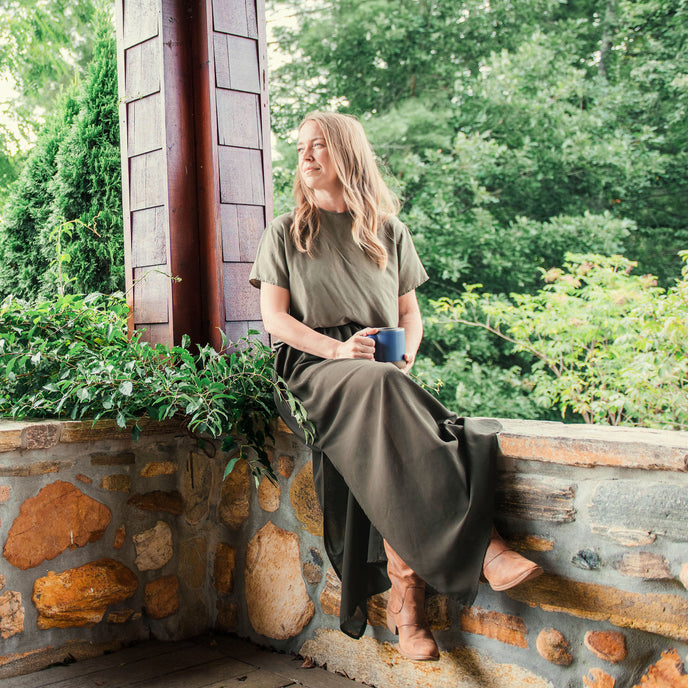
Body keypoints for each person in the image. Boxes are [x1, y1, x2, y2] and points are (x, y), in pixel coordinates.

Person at [248, 111, 542, 661]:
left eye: (318, 146)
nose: (304, 157)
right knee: (404, 406)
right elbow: (275, 321)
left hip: (381, 372)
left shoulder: (390, 232)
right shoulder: (285, 231)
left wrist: (407, 353)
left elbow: (411, 313)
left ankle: (408, 602)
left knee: (389, 428)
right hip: (310, 369)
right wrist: (338, 349)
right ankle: (483, 548)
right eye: (300, 148)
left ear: (348, 155)